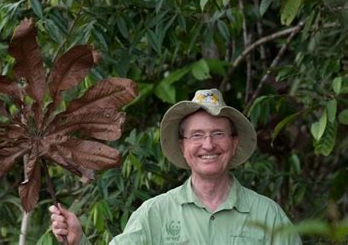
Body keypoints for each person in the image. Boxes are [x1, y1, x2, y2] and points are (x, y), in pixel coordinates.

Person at [49, 88, 302, 244]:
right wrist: (78, 241)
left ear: (234, 143)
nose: (208, 144)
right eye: (196, 135)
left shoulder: (268, 215)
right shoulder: (154, 214)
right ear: (182, 146)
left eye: (218, 134)